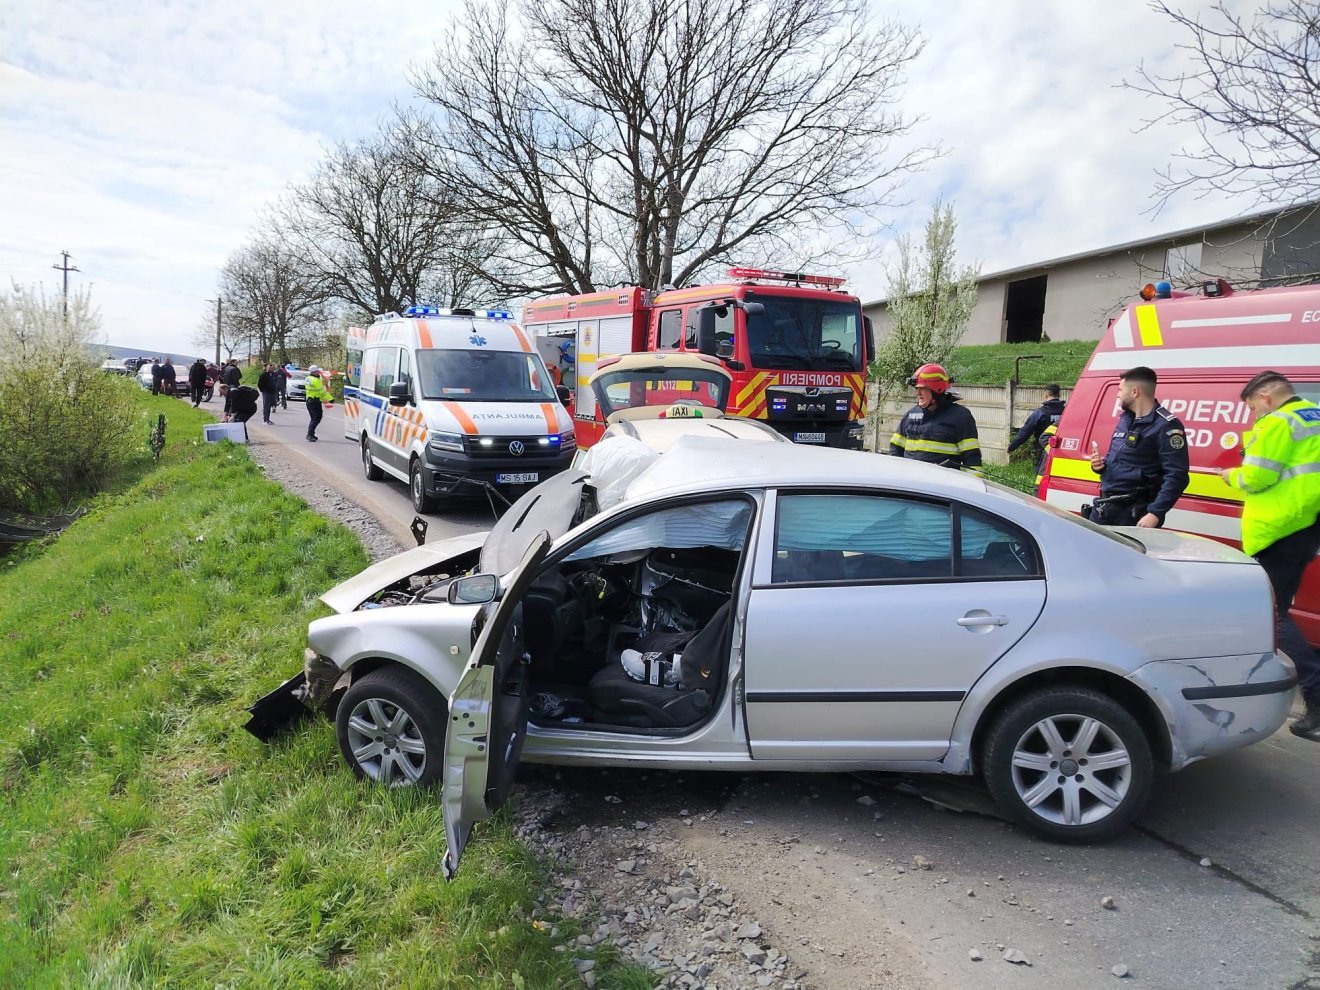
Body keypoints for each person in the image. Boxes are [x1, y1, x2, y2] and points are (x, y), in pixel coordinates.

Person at [1218, 371, 1320, 740]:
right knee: (1277, 608)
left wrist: (1231, 475)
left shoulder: (1276, 423)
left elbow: (1258, 477)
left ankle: (1316, 697)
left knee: (1272, 614)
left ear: (1265, 397)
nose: (1252, 417)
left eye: (1251, 408)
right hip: (1306, 525)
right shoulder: (1314, 415)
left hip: (1278, 529)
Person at [1086, 366, 1189, 528]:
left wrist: (1155, 513)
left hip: (1134, 512)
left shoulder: (1166, 426)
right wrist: (1100, 466)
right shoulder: (1125, 419)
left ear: (1135, 392)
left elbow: (1177, 475)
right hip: (1106, 506)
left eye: (1120, 389)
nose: (1117, 394)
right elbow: (1118, 460)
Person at [888, 363, 983, 474]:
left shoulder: (961, 417)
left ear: (937, 390)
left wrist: (973, 487)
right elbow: (895, 451)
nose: (917, 393)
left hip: (941, 488)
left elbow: (972, 460)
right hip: (911, 486)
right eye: (917, 388)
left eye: (922, 388)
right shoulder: (911, 415)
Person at [1008, 384, 1066, 476]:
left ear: (1046, 394)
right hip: (1063, 453)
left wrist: (1011, 447)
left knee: (1041, 480)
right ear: (1059, 395)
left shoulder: (1040, 413)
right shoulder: (1066, 412)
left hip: (1043, 452)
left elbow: (1024, 433)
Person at [303, 365, 334, 442]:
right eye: (318, 371)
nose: (319, 372)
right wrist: (330, 399)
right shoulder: (316, 381)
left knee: (314, 418)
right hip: (314, 402)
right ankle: (309, 434)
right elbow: (322, 391)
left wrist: (324, 400)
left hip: (310, 401)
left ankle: (311, 434)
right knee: (316, 418)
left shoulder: (308, 378)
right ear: (315, 372)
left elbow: (317, 392)